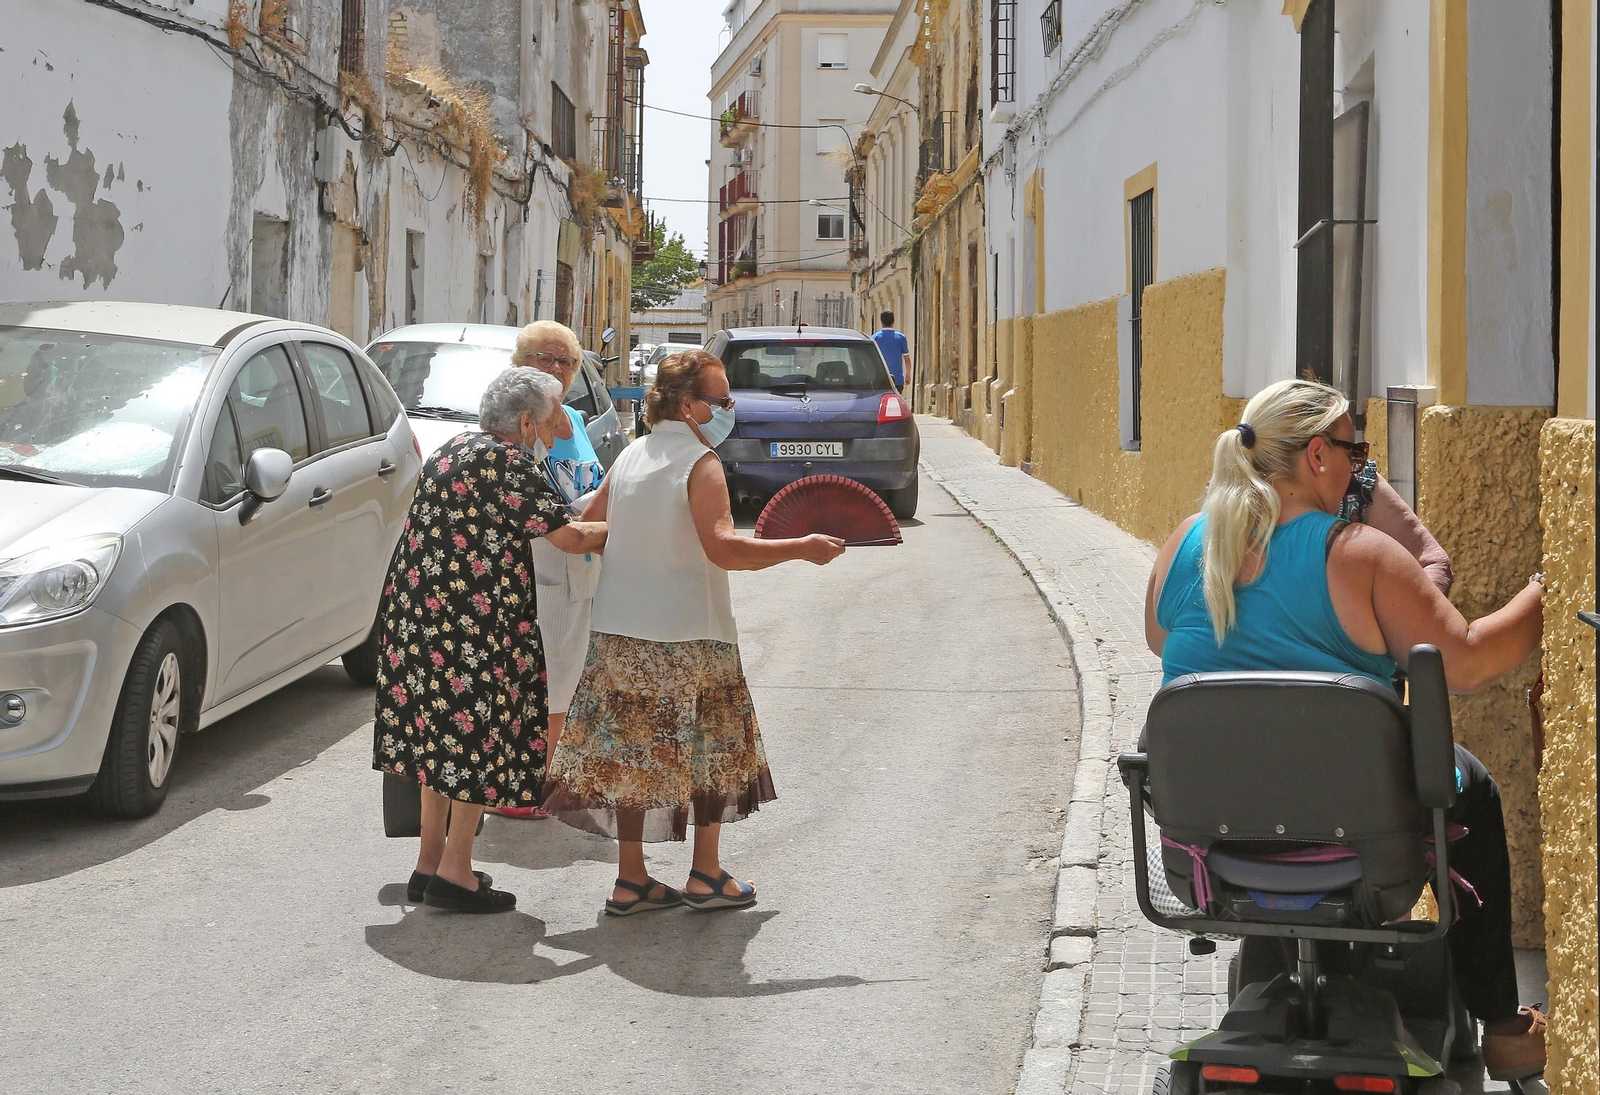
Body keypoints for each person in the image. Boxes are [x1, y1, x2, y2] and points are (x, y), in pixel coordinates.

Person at [1141, 378, 1546, 1082]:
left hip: (1211, 846)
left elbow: (1158, 638)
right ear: (1319, 456)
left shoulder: (1187, 544)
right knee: (1468, 785)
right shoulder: (1358, 555)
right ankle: (1505, 1027)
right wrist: (1553, 583)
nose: (1363, 467)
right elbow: (1474, 661)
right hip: (1361, 849)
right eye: (1357, 450)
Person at [543, 350, 847, 915]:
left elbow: (588, 530)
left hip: (619, 634)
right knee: (710, 751)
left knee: (629, 755)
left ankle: (631, 881)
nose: (730, 407)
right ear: (689, 406)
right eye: (721, 398)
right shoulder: (700, 464)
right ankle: (705, 874)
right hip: (690, 633)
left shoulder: (633, 455)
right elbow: (724, 549)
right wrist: (800, 548)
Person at [373, 368, 607, 913]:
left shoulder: (455, 447)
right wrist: (632, 526)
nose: (552, 433)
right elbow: (571, 537)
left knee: (440, 750)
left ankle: (428, 865)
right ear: (525, 421)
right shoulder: (508, 463)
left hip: (419, 623)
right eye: (549, 421)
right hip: (468, 633)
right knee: (474, 747)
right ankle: (456, 874)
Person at [489, 321, 606, 821]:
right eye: (544, 358)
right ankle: (525, 784)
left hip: (580, 562)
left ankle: (551, 775)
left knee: (569, 674)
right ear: (522, 363)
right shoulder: (520, 421)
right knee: (543, 677)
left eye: (565, 361)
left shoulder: (575, 422)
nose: (556, 368)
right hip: (537, 562)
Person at [871, 310, 910, 393]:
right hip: (897, 380)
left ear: (881, 322)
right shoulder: (901, 337)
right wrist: (908, 374)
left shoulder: (875, 338)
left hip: (879, 381)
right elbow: (907, 359)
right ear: (893, 321)